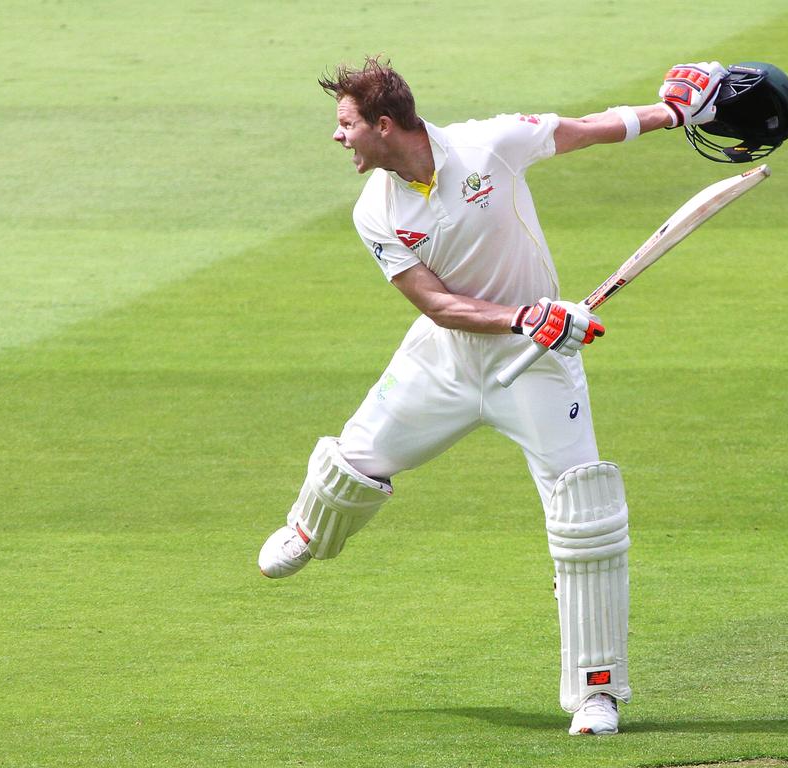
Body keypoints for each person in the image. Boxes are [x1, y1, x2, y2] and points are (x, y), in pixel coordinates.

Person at [258, 56, 727, 736]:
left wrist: (673, 113)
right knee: (350, 467)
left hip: (539, 366)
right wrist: (524, 314)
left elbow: (586, 128)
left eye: (347, 124)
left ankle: (596, 695)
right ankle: (309, 529)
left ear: (384, 126)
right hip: (444, 360)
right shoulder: (375, 210)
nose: (339, 137)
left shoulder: (489, 143)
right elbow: (436, 304)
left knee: (584, 514)